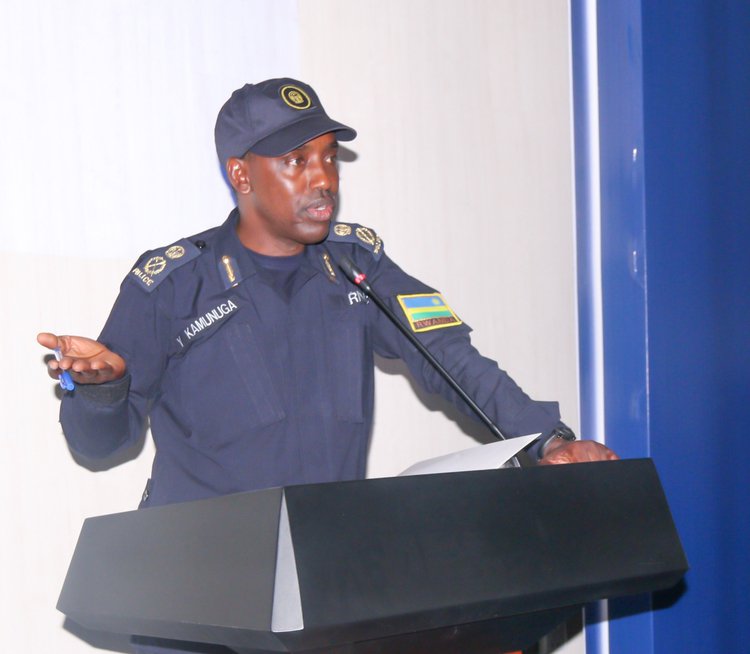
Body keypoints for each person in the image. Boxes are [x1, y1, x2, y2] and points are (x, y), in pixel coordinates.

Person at [38, 78, 616, 653]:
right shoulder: (174, 284)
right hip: (196, 594)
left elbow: (453, 359)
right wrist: (103, 390)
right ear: (242, 175)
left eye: (329, 157)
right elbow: (96, 444)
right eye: (296, 161)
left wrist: (550, 441)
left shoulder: (358, 266)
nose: (323, 180)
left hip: (321, 585)